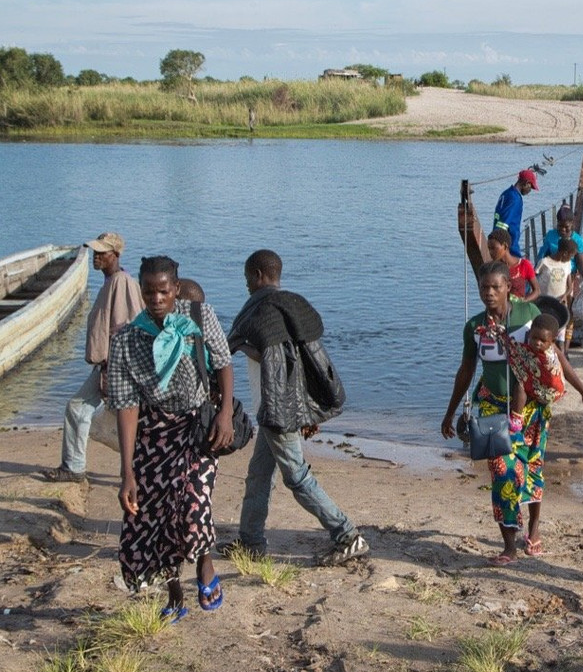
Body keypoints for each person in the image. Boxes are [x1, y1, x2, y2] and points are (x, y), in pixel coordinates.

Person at [440, 261, 583, 565]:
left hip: (532, 407)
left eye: (495, 287)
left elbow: (556, 355)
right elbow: (466, 370)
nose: (488, 293)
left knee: (532, 467)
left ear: (508, 288)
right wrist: (450, 412)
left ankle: (534, 529)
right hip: (492, 406)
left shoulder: (527, 316)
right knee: (502, 470)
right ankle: (509, 545)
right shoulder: (475, 327)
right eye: (484, 287)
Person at [108, 255, 235, 620]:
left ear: (175, 289)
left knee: (196, 503)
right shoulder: (127, 340)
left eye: (163, 291)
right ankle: (175, 594)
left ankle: (205, 567)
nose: (157, 298)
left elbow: (223, 362)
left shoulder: (199, 318)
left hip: (196, 428)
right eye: (149, 292)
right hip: (153, 436)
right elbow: (127, 407)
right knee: (155, 517)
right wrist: (127, 471)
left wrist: (224, 413)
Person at [221, 249, 367, 566]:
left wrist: (237, 344)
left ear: (258, 275)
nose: (246, 285)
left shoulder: (263, 311)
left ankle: (347, 535)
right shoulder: (291, 305)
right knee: (258, 475)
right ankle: (250, 542)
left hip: (278, 408)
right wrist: (308, 410)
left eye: (247, 278)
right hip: (276, 407)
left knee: (297, 477)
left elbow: (272, 357)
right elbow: (302, 359)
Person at [45, 232, 143, 483]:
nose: (96, 257)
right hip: (106, 364)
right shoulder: (111, 282)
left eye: (102, 253)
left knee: (79, 408)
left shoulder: (122, 282)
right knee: (86, 411)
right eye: (95, 252)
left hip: (115, 365)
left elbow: (125, 328)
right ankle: (77, 467)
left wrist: (110, 369)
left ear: (116, 255)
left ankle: (75, 468)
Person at [506, 314, 565, 433]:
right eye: (534, 338)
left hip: (549, 391)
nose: (538, 343)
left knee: (520, 384)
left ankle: (516, 418)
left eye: (542, 341)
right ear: (529, 334)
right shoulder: (550, 349)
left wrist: (505, 339)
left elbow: (517, 350)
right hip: (556, 393)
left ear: (552, 342)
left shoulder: (546, 356)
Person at [535, 237, 577, 349]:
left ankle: (561, 361)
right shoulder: (544, 262)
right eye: (570, 256)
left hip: (559, 306)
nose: (570, 259)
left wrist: (565, 296)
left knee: (560, 339)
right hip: (544, 305)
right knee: (544, 334)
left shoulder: (567, 264)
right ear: (564, 253)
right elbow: (534, 280)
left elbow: (569, 286)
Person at [493, 169, 538, 258]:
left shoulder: (506, 193)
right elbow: (504, 223)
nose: (530, 190)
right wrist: (502, 245)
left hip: (501, 241)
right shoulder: (515, 199)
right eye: (530, 186)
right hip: (509, 245)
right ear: (526, 182)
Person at [535, 205, 583, 278]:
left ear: (572, 223)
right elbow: (542, 255)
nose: (563, 229)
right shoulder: (550, 235)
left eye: (566, 227)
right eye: (560, 226)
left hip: (569, 275)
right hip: (551, 273)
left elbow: (581, 263)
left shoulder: (579, 241)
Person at [487, 228, 538, 302]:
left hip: (518, 309)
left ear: (505, 246)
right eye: (489, 249)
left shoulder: (524, 265)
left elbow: (536, 291)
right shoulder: (492, 268)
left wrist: (522, 302)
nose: (490, 252)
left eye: (493, 248)